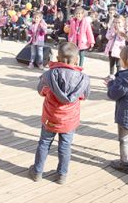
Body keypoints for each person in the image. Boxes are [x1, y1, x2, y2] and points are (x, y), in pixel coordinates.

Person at [28, 42, 90, 185]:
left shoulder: (48, 75)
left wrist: (50, 92)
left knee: (44, 143)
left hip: (51, 117)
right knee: (65, 146)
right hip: (69, 120)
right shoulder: (83, 78)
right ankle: (62, 175)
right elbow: (84, 96)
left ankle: (37, 172)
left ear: (57, 57)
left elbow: (40, 91)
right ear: (76, 60)